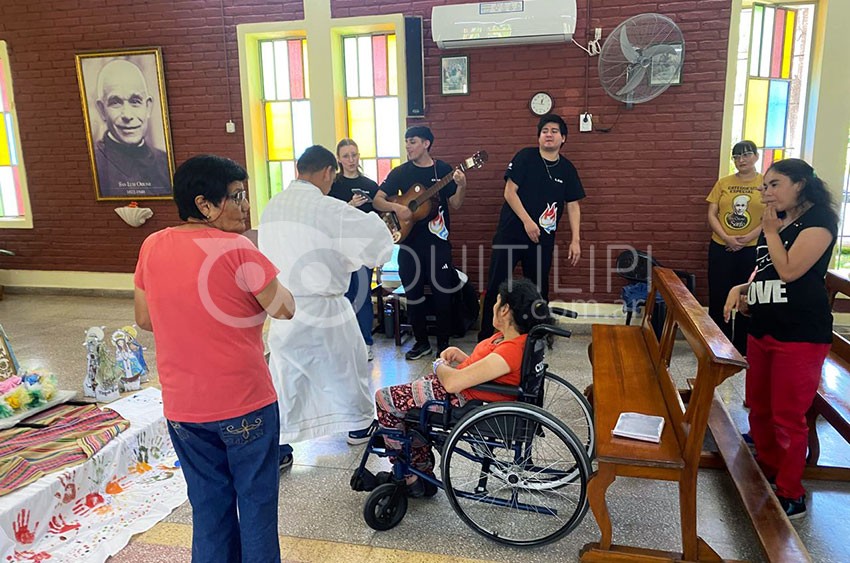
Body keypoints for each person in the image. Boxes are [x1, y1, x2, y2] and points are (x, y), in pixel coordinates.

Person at [134, 154, 295, 562]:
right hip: (245, 402)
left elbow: (145, 319)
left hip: (184, 407)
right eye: (236, 197)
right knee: (256, 505)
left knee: (208, 506)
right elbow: (284, 308)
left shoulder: (152, 245)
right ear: (204, 204)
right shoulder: (239, 249)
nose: (245, 205)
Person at [724, 158, 837, 519]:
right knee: (759, 406)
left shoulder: (819, 221)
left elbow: (789, 271)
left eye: (774, 185)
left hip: (799, 333)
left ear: (800, 184)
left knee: (787, 415)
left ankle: (791, 491)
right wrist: (742, 290)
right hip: (763, 326)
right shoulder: (778, 220)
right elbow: (765, 269)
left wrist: (770, 231)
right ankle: (768, 469)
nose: (766, 193)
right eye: (764, 187)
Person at [259, 145, 394, 451]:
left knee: (287, 375)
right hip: (325, 306)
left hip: (284, 305)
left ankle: (282, 442)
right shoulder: (328, 208)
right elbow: (376, 242)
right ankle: (358, 425)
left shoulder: (272, 207)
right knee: (345, 367)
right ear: (327, 172)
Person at [375, 278, 551, 496]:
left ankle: (408, 474)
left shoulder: (510, 351)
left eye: (497, 302)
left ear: (505, 310)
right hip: (466, 390)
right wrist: (462, 358)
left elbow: (452, 384)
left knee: (384, 399)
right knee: (405, 410)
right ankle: (420, 470)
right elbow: (491, 374)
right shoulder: (510, 339)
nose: (493, 306)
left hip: (460, 399)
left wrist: (439, 365)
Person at [478, 114, 584, 341]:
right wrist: (527, 221)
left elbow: (573, 205)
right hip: (511, 234)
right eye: (545, 131)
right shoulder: (525, 157)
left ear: (563, 138)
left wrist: (576, 240)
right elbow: (509, 192)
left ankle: (536, 336)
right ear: (538, 137)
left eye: (554, 131)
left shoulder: (567, 169)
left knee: (538, 289)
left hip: (541, 240)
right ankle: (486, 336)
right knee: (497, 285)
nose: (549, 135)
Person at [373, 126, 468, 360]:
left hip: (438, 245)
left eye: (413, 141)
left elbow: (456, 204)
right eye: (406, 141)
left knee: (442, 294)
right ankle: (421, 342)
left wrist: (462, 185)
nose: (408, 146)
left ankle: (443, 344)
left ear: (426, 144)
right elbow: (378, 200)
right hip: (409, 245)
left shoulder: (442, 170)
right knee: (413, 294)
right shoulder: (400, 172)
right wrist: (398, 208)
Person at [707, 140, 764, 355]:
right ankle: (717, 346)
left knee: (746, 296)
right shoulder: (724, 183)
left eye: (746, 155)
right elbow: (712, 214)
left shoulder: (765, 183)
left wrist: (747, 238)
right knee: (718, 295)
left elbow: (770, 215)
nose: (741, 160)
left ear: (756, 156)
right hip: (721, 246)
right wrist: (727, 238)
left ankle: (741, 346)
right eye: (737, 156)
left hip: (751, 248)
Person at [329, 138, 381, 361]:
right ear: (339, 159)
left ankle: (365, 342)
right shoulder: (332, 186)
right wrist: (349, 206)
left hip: (362, 250)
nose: (351, 160)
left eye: (354, 155)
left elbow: (379, 219)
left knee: (362, 295)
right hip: (339, 249)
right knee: (342, 296)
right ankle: (344, 343)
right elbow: (327, 216)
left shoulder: (370, 185)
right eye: (346, 156)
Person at [93, 59, 171, 198]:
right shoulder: (95, 165)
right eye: (115, 103)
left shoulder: (166, 162)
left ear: (148, 107)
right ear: (102, 110)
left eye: (135, 101)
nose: (127, 115)